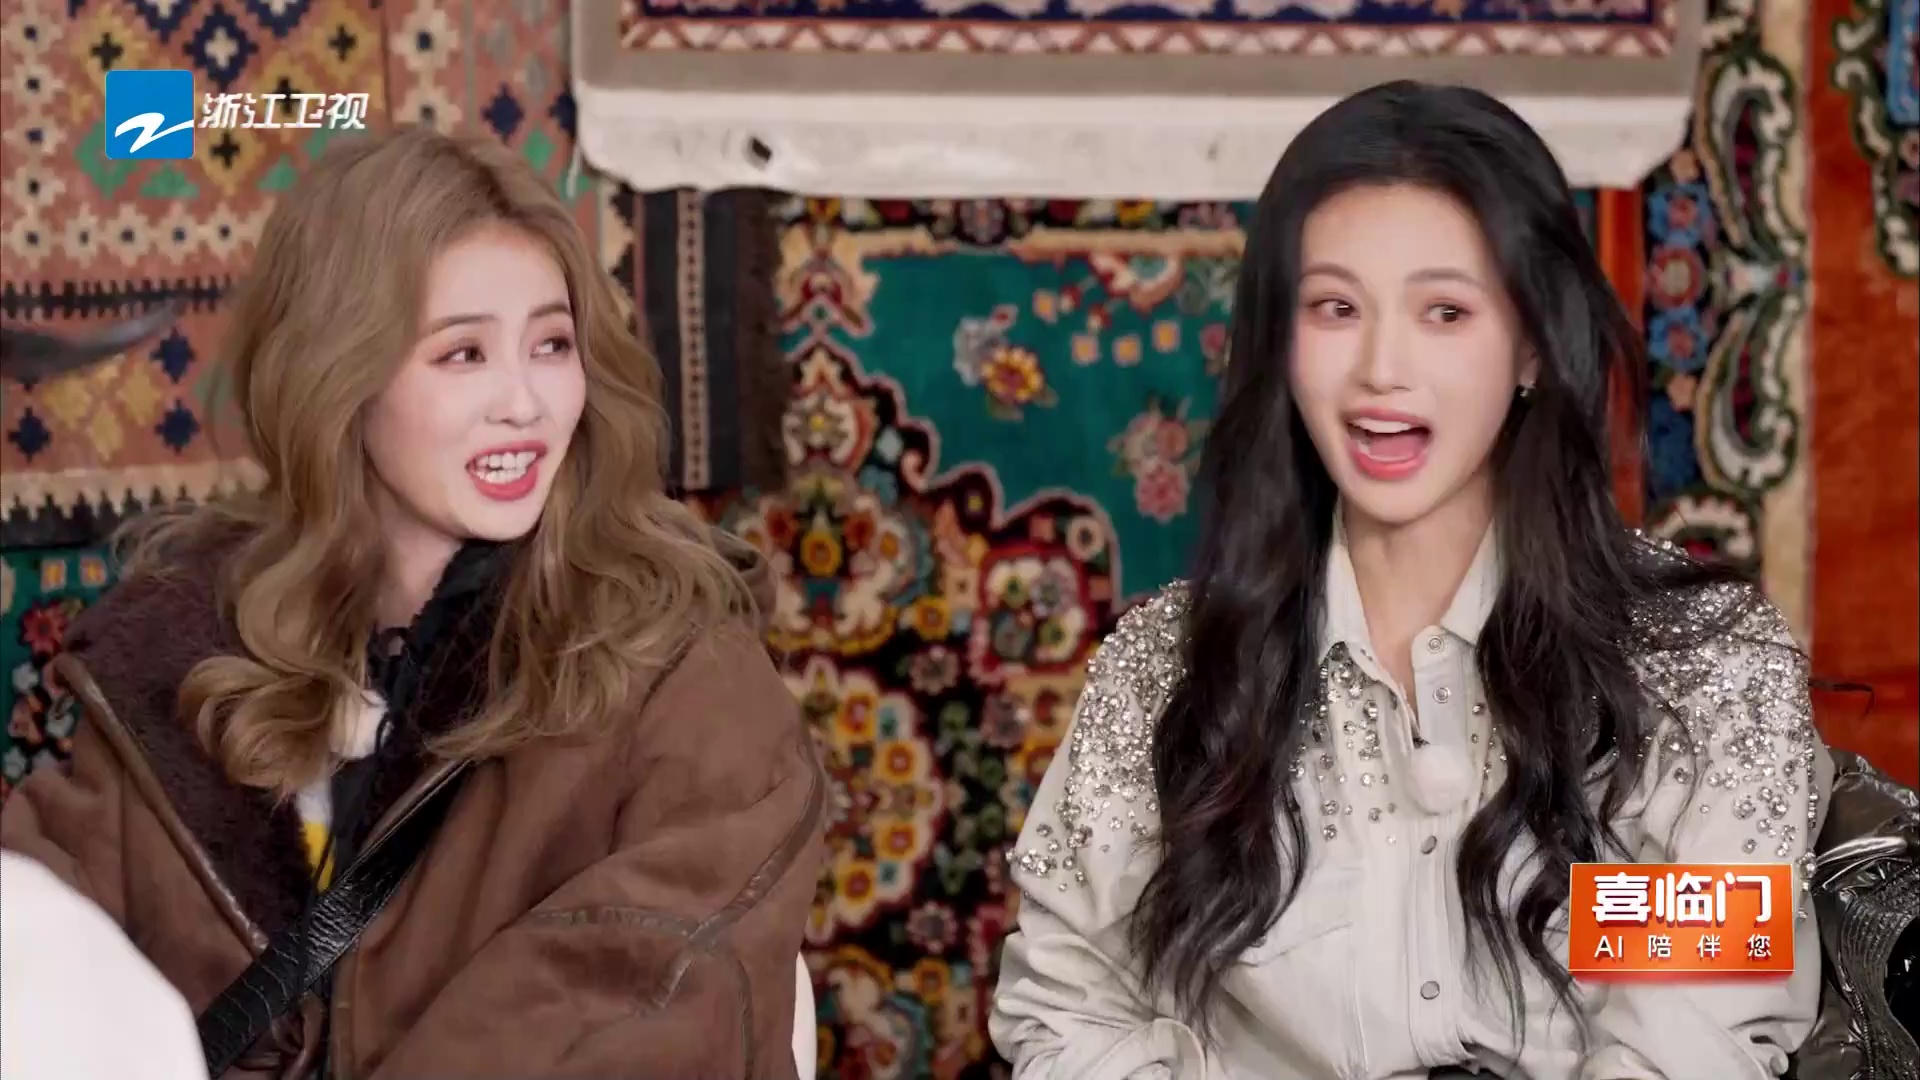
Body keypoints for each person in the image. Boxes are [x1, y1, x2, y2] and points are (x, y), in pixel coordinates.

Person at [989, 81, 1832, 1080]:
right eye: (1337, 308)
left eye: (1445, 311)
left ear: (1529, 345)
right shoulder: (1170, 672)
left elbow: (1687, 1044)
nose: (1382, 368)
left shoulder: (1696, 673)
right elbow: (1069, 1007)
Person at [0, 127, 826, 1079]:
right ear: (338, 377)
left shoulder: (680, 670)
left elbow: (638, 1005)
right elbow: (37, 939)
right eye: (464, 354)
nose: (525, 402)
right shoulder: (175, 664)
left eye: (553, 344)